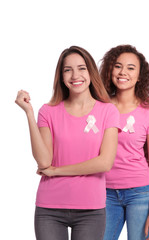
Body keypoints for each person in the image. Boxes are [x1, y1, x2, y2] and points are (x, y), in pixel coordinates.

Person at [15, 46, 120, 240]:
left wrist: (57, 171)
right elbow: (44, 162)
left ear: (90, 72)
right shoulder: (48, 111)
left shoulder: (108, 111)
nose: (75, 75)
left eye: (81, 68)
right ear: (61, 76)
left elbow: (104, 162)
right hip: (50, 208)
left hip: (91, 209)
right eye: (67, 69)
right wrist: (29, 113)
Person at [99, 45, 149, 240]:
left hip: (140, 193)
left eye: (130, 68)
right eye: (118, 66)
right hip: (105, 191)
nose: (123, 72)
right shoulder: (100, 107)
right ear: (110, 71)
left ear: (139, 75)